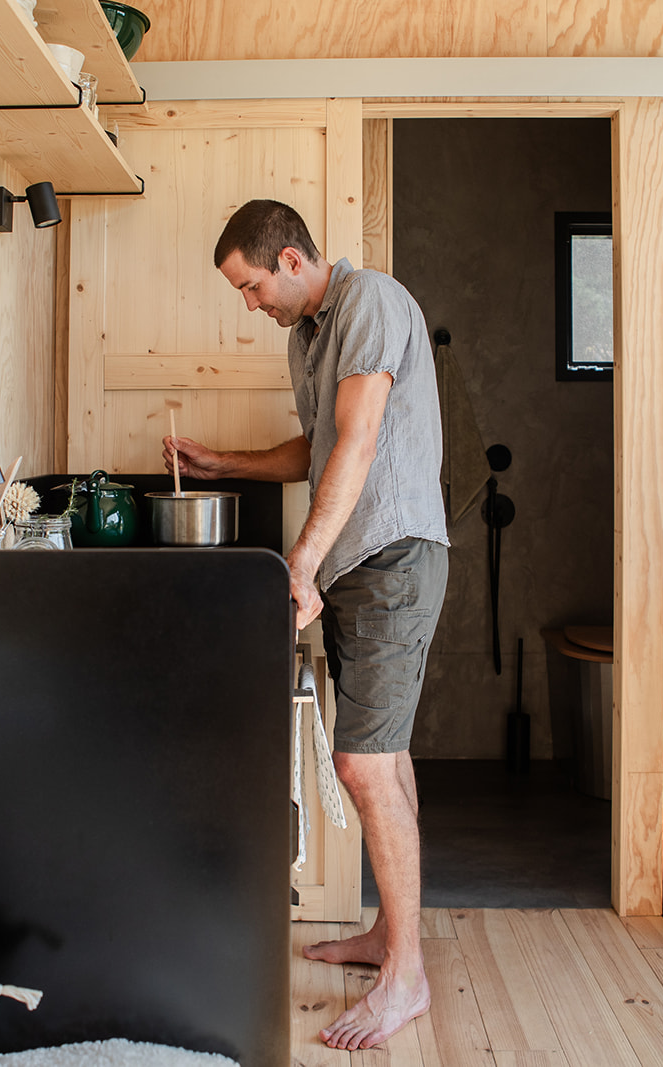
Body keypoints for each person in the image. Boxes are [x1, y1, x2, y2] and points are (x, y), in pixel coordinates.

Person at [163, 199, 448, 1051]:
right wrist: (224, 463)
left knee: (360, 761)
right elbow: (317, 447)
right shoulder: (309, 337)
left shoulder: (370, 303)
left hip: (392, 554)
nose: (250, 306)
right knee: (383, 759)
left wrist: (300, 560)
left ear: (290, 259)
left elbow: (359, 441)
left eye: (251, 287)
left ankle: (406, 979)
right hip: (357, 563)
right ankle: (392, 941)